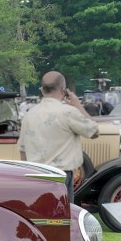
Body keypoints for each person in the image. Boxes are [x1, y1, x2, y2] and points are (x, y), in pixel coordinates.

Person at [18, 71, 99, 202]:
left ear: (42, 90)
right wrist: (77, 104)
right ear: (63, 90)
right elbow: (94, 132)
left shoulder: (29, 114)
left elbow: (22, 150)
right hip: (61, 175)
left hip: (36, 174)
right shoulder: (68, 112)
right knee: (63, 216)